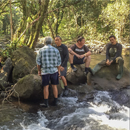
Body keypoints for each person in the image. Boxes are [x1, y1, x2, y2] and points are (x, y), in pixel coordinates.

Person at [36, 36, 61, 107]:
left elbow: (38, 63)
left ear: (44, 42)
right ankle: (55, 101)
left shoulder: (40, 50)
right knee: (54, 86)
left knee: (46, 87)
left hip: (45, 71)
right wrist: (58, 71)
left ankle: (46, 103)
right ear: (51, 42)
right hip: (54, 71)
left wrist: (39, 71)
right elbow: (59, 62)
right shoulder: (56, 50)